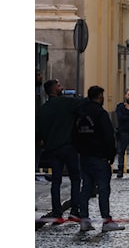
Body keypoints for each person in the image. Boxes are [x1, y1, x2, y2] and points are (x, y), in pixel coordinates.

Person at [74, 85, 125, 232]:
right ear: (99, 97)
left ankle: (84, 219)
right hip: (99, 157)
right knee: (103, 189)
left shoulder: (81, 114)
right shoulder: (100, 113)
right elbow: (108, 135)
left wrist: (80, 149)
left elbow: (75, 134)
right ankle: (106, 220)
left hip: (84, 156)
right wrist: (111, 154)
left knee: (86, 188)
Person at [36, 79, 85, 223]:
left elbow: (39, 134)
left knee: (56, 180)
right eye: (58, 85)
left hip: (52, 149)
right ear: (53, 90)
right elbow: (82, 105)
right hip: (68, 146)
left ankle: (57, 212)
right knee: (75, 178)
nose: (61, 87)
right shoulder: (65, 102)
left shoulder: (43, 109)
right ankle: (75, 210)